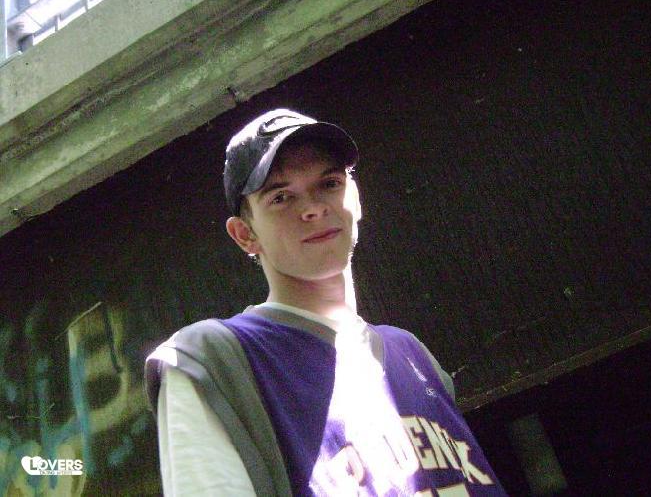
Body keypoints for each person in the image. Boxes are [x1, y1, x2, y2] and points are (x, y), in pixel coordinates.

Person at [145, 109, 506, 496]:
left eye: (329, 183)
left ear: (357, 198)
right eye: (281, 197)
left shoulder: (412, 354)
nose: (313, 208)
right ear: (245, 234)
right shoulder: (210, 360)